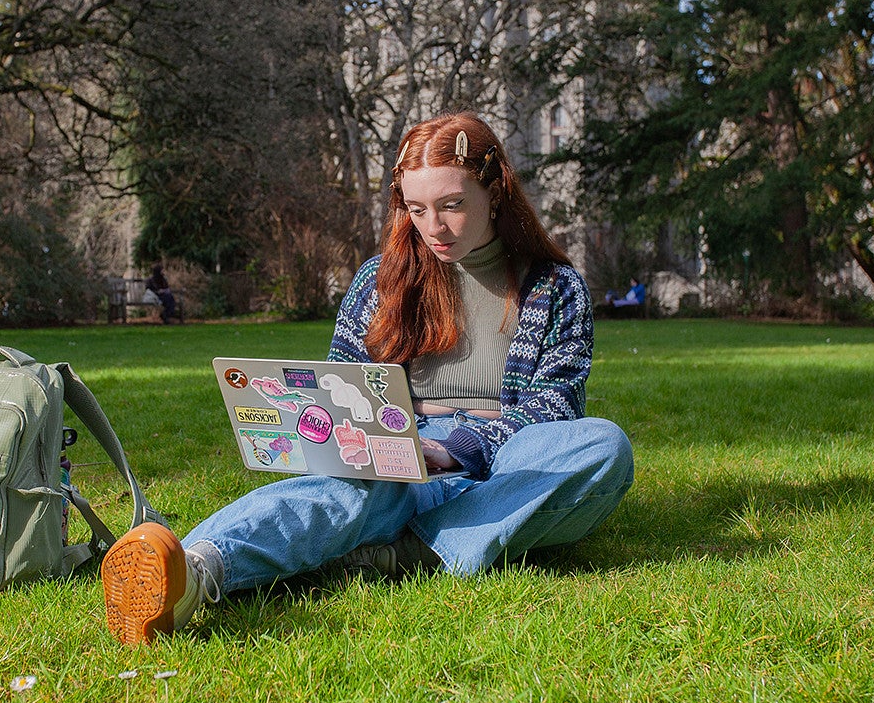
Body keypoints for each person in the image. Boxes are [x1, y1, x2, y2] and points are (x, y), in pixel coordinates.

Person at [100, 112, 635, 644]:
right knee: (348, 490)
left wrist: (463, 446)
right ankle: (195, 571)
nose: (434, 227)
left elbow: (553, 408)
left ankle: (404, 550)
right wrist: (372, 438)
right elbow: (346, 386)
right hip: (407, 452)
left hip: (509, 466)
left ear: (494, 193)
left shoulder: (555, 287)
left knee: (601, 447)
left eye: (452, 205)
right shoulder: (380, 280)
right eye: (417, 208)